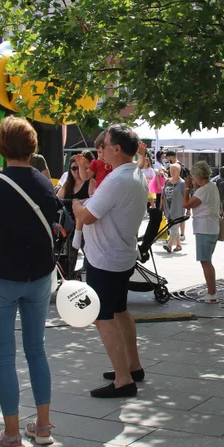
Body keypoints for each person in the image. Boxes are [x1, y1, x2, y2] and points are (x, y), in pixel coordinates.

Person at [0, 117, 62, 447]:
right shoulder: (44, 182)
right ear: (32, 146)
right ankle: (42, 427)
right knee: (36, 349)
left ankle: (11, 435)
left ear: (1, 146)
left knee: (4, 356)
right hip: (39, 276)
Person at [72, 124, 149, 398]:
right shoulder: (136, 174)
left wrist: (76, 205)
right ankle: (131, 367)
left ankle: (123, 379)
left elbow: (87, 215)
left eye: (102, 146)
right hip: (121, 254)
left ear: (116, 148)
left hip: (106, 258)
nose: (100, 150)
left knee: (103, 318)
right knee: (119, 311)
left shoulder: (117, 179)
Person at [182, 161, 220, 303]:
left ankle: (212, 294)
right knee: (207, 261)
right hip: (211, 227)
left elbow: (186, 204)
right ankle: (212, 291)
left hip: (204, 228)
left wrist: (187, 188)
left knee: (205, 262)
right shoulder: (212, 187)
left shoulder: (202, 190)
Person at [57, 153, 92, 279]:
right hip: (69, 226)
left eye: (79, 167)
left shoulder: (89, 182)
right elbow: (57, 200)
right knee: (69, 260)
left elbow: (93, 200)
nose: (77, 171)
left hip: (86, 226)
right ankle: (69, 279)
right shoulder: (67, 185)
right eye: (73, 168)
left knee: (91, 259)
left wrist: (78, 202)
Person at [161, 163, 185, 253]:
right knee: (173, 226)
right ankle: (178, 245)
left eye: (174, 170)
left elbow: (186, 196)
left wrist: (188, 210)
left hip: (178, 208)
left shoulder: (182, 183)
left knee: (173, 226)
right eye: (171, 170)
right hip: (168, 208)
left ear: (179, 171)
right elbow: (163, 194)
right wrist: (161, 206)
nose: (172, 172)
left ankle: (169, 245)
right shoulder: (167, 181)